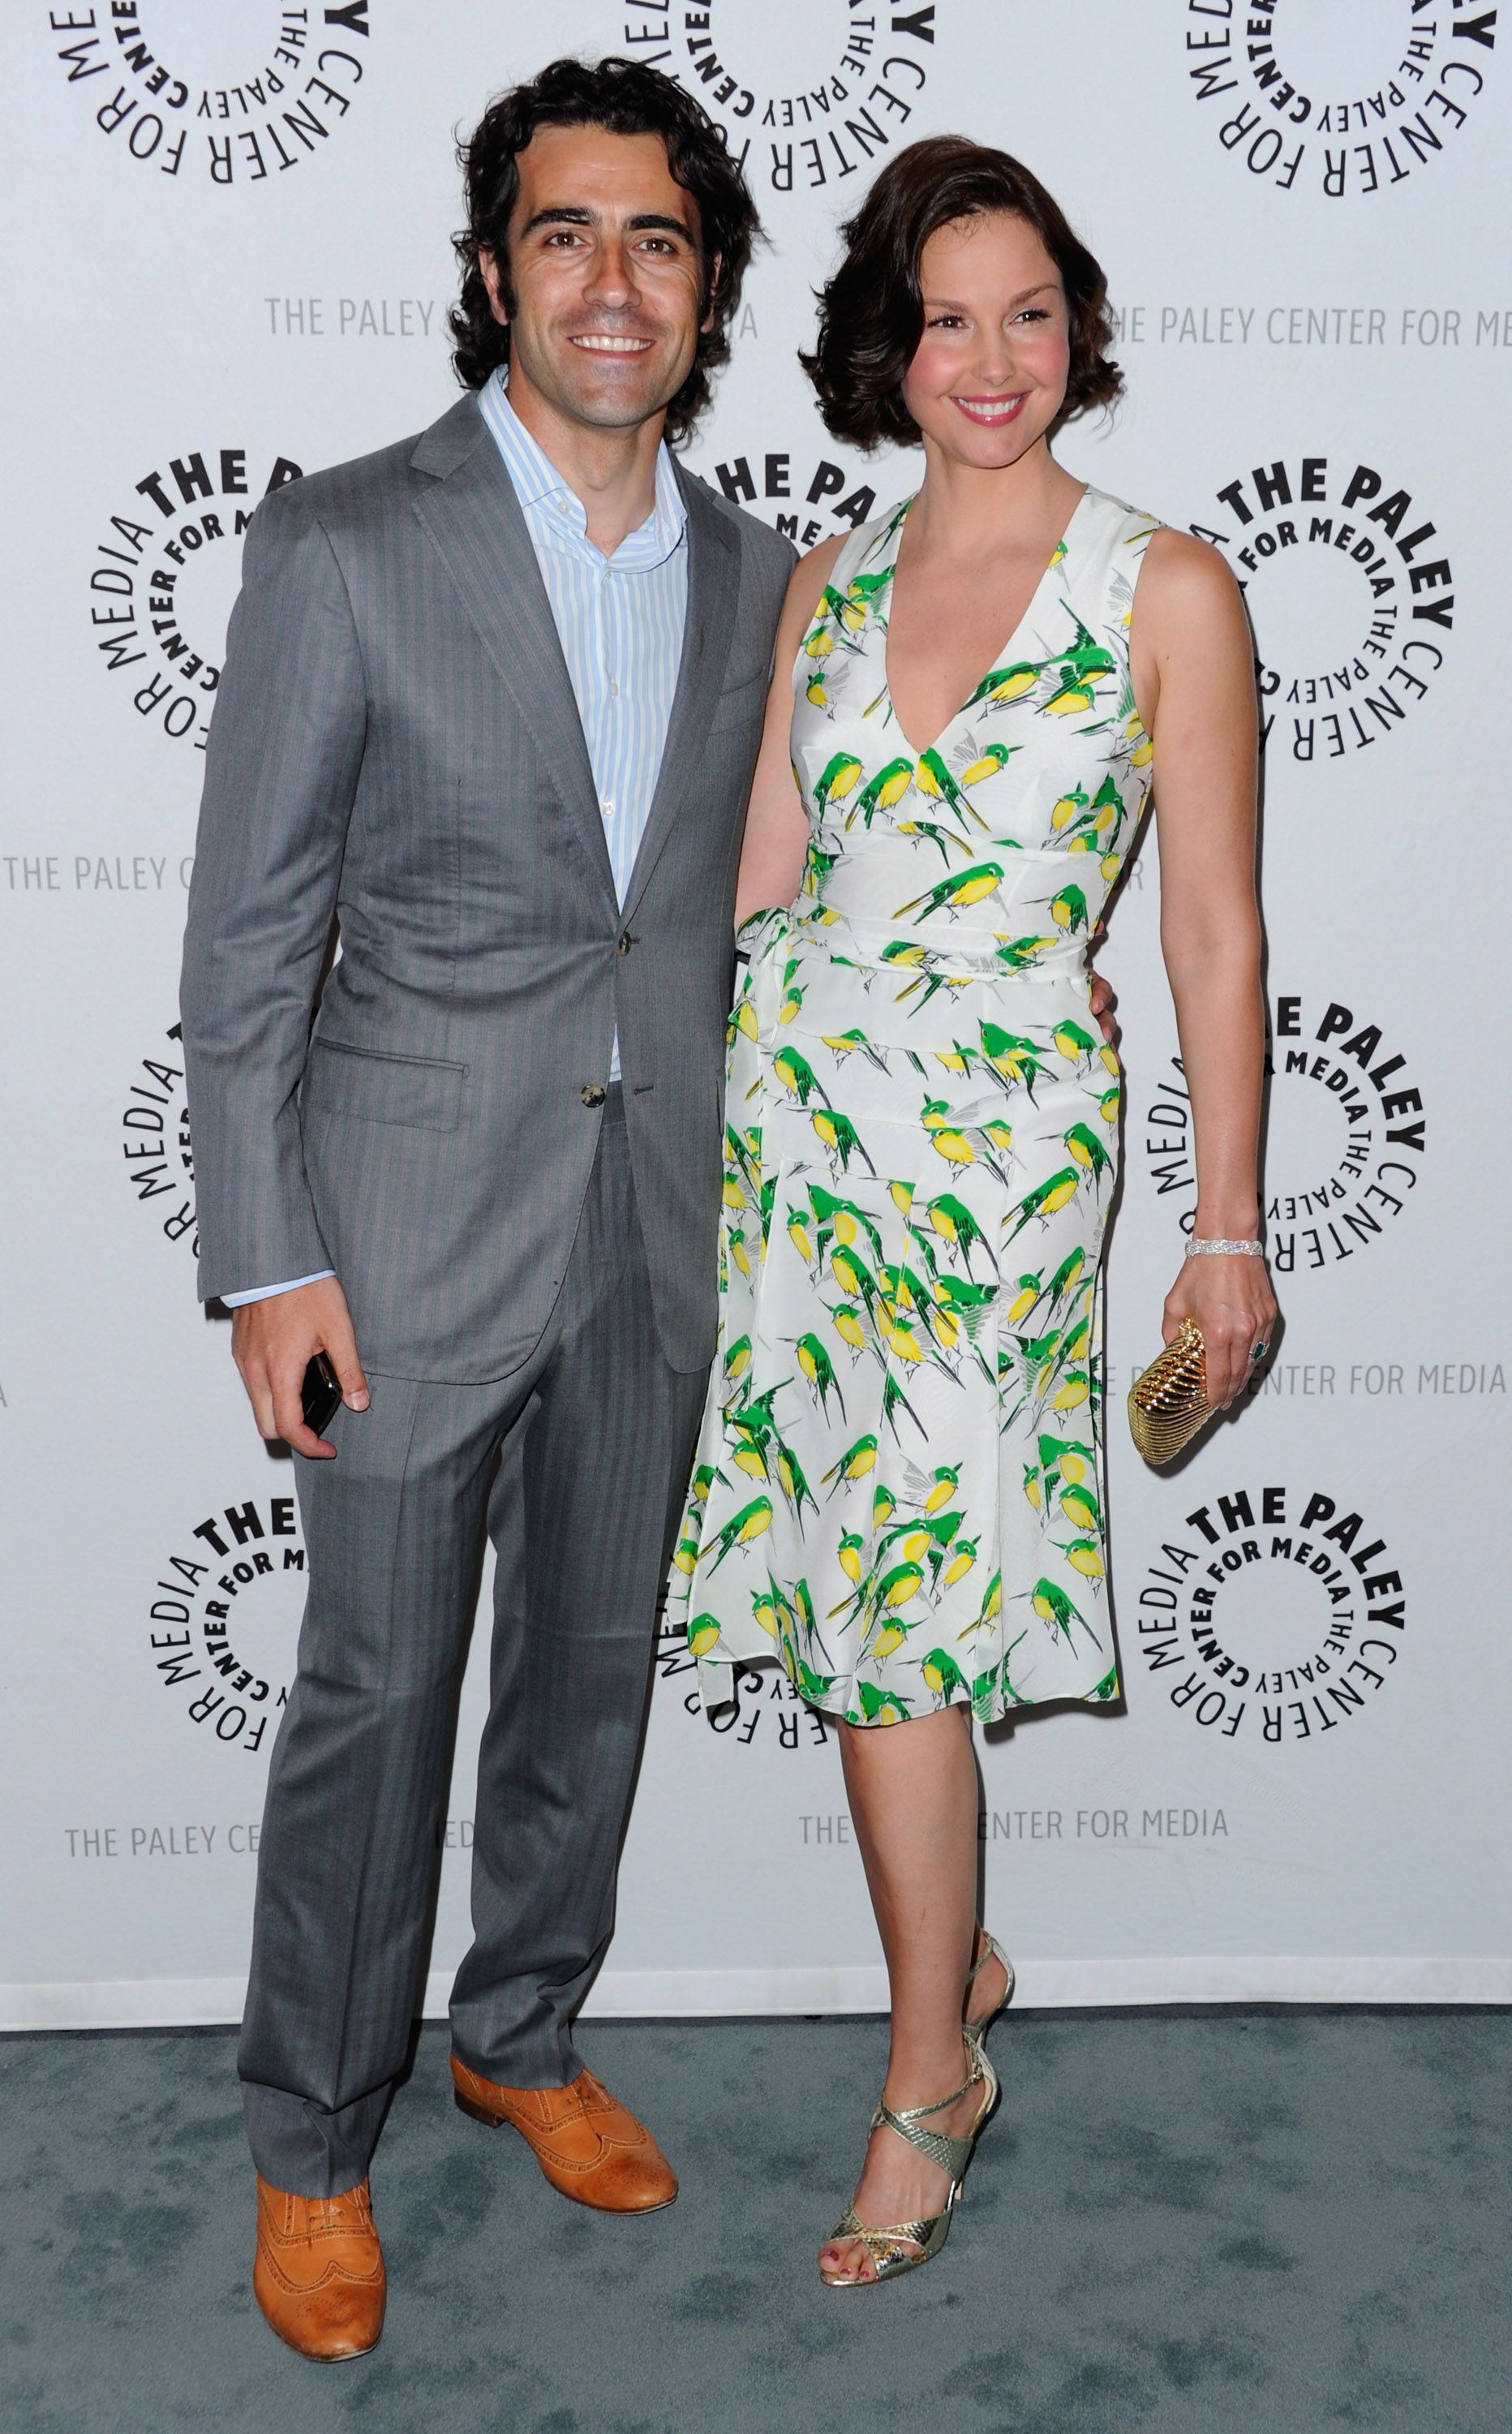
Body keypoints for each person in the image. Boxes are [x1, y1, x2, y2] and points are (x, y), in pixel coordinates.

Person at [178, 56, 794, 2360]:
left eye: (654, 237)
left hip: (655, 1227)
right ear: (490, 271)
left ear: (703, 282)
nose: (609, 280)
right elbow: (249, 941)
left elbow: (724, 913)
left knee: (589, 1674)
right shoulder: (345, 542)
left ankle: (521, 2028)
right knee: (375, 1694)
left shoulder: (757, 573)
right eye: (563, 234)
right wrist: (269, 1257)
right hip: (402, 1241)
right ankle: (313, 2143)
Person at [668, 135, 1278, 2286]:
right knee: (863, 1594)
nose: (992, 358)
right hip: (806, 1125)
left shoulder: (1168, 584)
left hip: (1006, 1143)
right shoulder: (824, 584)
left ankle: (928, 2069)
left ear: (1075, 331)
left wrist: (1227, 1227)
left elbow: (1210, 931)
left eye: (1030, 313)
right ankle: (962, 1976)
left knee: (912, 1587)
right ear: (887, 350)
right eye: (948, 318)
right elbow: (752, 887)